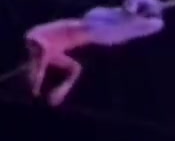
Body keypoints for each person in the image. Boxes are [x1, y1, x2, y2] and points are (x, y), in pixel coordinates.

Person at [25, 7, 164, 107]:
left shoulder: (36, 39)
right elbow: (74, 68)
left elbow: (39, 63)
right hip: (93, 33)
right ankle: (140, 15)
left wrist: (36, 89)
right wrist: (63, 88)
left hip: (88, 26)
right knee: (119, 33)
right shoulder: (50, 55)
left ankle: (140, 13)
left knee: (121, 26)